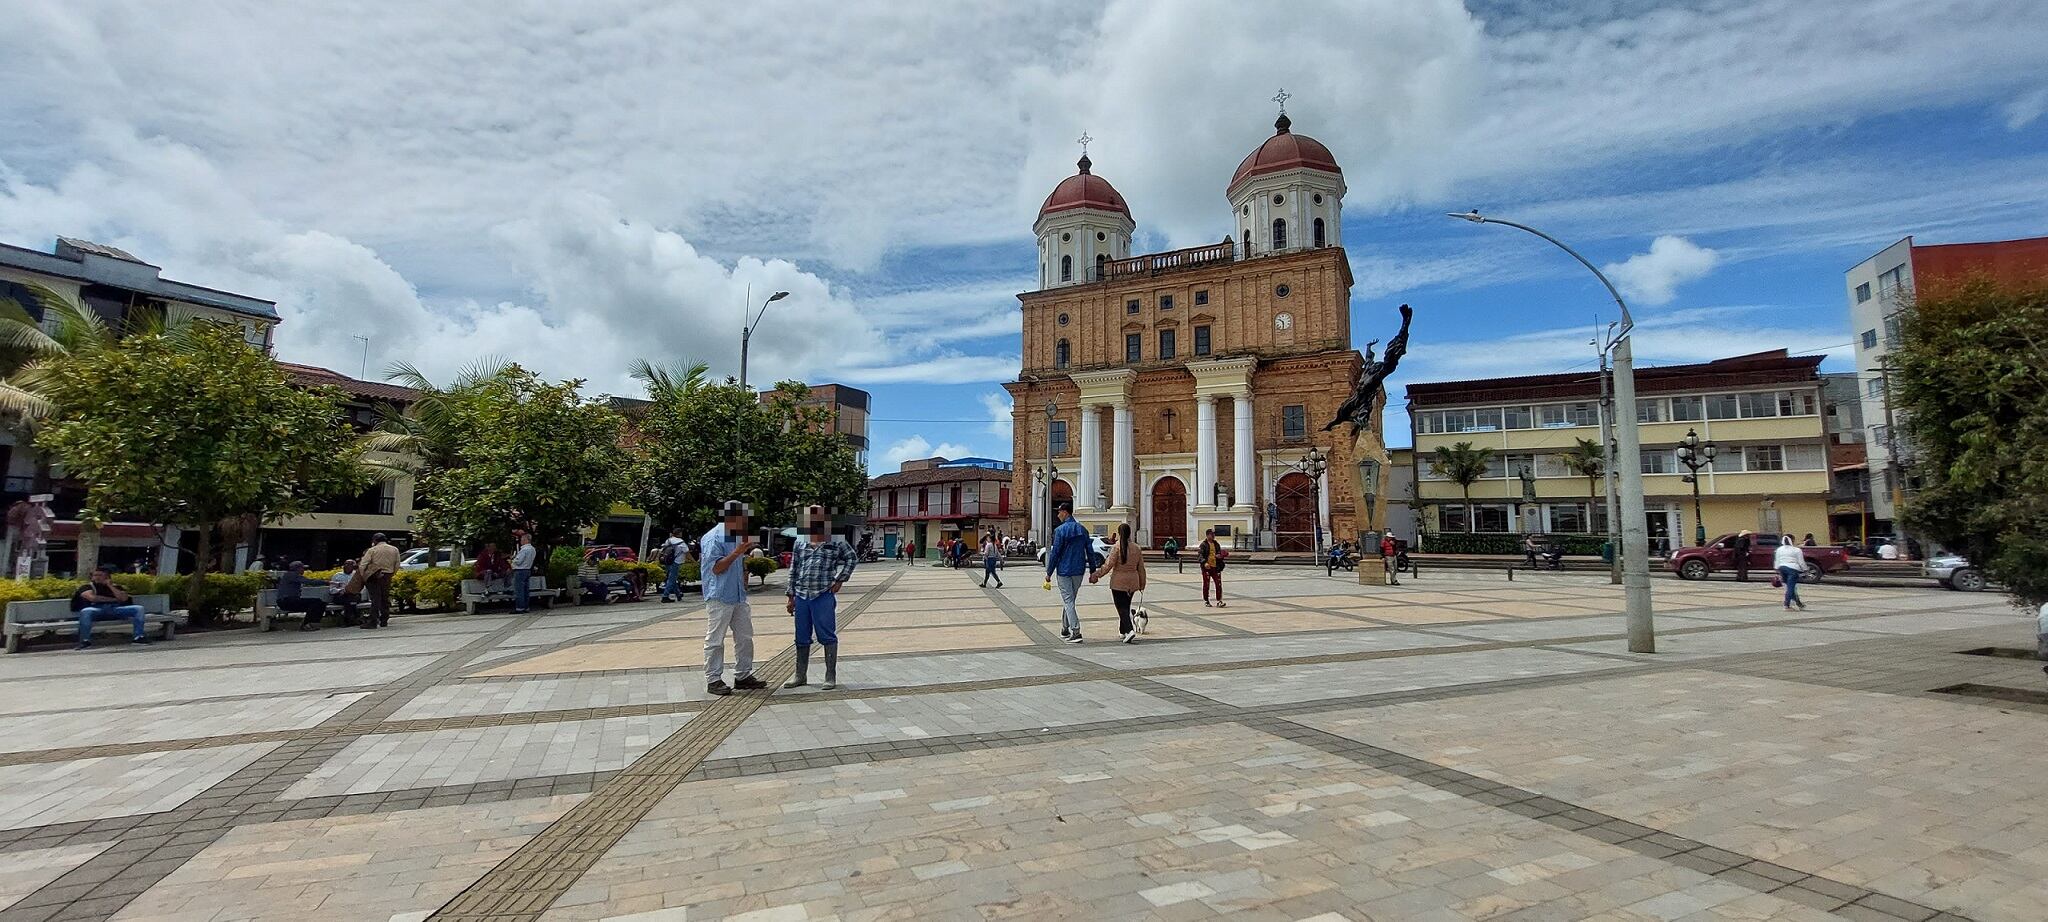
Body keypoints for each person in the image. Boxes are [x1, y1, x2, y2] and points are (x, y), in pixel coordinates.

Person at [785, 505, 856, 690]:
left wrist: (840, 580)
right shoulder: (800, 541)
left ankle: (830, 676)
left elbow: (851, 558)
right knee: (801, 637)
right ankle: (800, 675)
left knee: (827, 635)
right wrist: (790, 595)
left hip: (823, 594)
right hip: (801, 595)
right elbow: (794, 568)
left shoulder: (836, 540)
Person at [702, 501, 766, 696]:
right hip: (720, 595)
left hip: (738, 595)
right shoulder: (714, 537)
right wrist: (738, 552)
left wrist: (744, 565)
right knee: (715, 639)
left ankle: (743, 675)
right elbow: (716, 568)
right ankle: (713, 679)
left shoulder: (736, 536)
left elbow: (737, 563)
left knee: (745, 636)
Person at [1089, 522, 1148, 643]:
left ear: (1120, 533)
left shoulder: (1117, 547)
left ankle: (1130, 630)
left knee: (1121, 608)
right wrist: (1142, 583)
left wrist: (1097, 575)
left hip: (1118, 582)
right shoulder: (1136, 548)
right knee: (1125, 606)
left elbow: (1108, 565)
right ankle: (1122, 631)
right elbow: (1141, 568)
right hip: (1133, 581)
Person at [70, 567, 149, 649]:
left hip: (115, 609)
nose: (97, 577)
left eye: (100, 575)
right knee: (86, 611)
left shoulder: (116, 587)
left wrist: (110, 586)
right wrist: (114, 599)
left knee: (139, 608)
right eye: (95, 575)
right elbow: (92, 598)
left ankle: (138, 637)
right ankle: (85, 640)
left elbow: (124, 598)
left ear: (107, 577)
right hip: (97, 610)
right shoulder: (86, 587)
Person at [1044, 504, 1091, 643]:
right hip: (1078, 570)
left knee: (1068, 600)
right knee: (1070, 600)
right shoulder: (1082, 529)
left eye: (1059, 512)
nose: (1058, 515)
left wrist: (1049, 573)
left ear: (1065, 513)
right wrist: (1093, 570)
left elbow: (1055, 553)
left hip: (1064, 570)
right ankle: (1065, 628)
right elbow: (1089, 550)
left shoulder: (1060, 530)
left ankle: (1075, 631)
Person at [359, 533, 401, 628]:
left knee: (375, 599)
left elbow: (363, 564)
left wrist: (364, 576)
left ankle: (373, 621)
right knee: (384, 598)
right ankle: (384, 620)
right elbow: (397, 564)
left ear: (375, 541)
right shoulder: (394, 549)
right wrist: (391, 574)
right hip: (387, 575)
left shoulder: (372, 550)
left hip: (374, 576)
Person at [275, 561, 325, 631]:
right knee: (317, 602)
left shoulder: (290, 575)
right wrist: (327, 582)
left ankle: (310, 624)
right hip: (286, 601)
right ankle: (307, 625)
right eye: (302, 568)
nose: (303, 570)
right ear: (298, 569)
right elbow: (310, 582)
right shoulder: (292, 575)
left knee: (318, 604)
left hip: (289, 601)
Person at [1774, 533, 1807, 611]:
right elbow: (1801, 562)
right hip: (1792, 569)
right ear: (1793, 540)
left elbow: (1777, 561)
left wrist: (1776, 570)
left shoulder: (1779, 549)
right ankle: (1786, 605)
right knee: (1791, 587)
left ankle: (1799, 603)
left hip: (1782, 568)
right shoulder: (1797, 550)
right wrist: (1805, 569)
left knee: (1789, 587)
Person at [1198, 528, 1227, 608]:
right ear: (1207, 535)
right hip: (1207, 567)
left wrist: (1220, 556)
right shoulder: (1203, 545)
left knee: (1218, 584)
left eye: (1214, 534)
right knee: (1206, 584)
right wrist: (1204, 563)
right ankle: (1206, 600)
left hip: (1216, 567)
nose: (1213, 536)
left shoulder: (1216, 544)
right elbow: (1200, 555)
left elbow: (1219, 553)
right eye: (1212, 534)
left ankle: (1219, 600)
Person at [509, 532, 537, 613]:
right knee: (526, 590)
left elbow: (519, 561)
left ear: (525, 540)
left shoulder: (524, 549)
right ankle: (526, 607)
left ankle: (519, 607)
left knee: (519, 590)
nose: (521, 541)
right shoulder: (532, 549)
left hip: (520, 570)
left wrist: (512, 560)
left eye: (522, 539)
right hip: (528, 570)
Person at [658, 528, 688, 602]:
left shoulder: (668, 540)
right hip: (676, 561)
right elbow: (687, 552)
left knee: (672, 578)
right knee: (671, 579)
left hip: (667, 561)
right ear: (679, 534)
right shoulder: (681, 542)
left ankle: (678, 594)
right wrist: (693, 561)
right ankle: (665, 596)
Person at [328, 559, 362, 625]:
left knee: (350, 599)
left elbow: (361, 588)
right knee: (350, 600)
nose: (347, 566)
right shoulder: (337, 575)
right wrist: (341, 590)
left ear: (353, 566)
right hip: (340, 596)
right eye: (345, 564)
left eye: (350, 564)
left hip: (354, 595)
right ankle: (354, 618)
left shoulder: (357, 575)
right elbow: (331, 590)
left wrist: (352, 591)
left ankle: (348, 619)